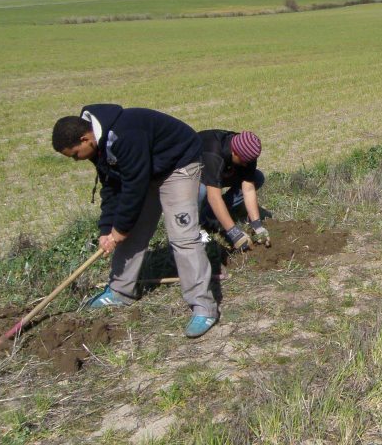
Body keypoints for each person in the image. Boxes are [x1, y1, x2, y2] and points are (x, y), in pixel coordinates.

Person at [51, 105, 219, 338]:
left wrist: (120, 229)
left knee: (183, 236)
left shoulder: (124, 134)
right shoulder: (98, 144)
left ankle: (204, 307)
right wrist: (107, 229)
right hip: (146, 170)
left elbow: (134, 187)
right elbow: (111, 186)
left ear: (85, 138)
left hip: (179, 164)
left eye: (75, 155)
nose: (77, 161)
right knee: (131, 230)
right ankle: (120, 292)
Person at [197, 129, 269, 251]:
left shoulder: (248, 149)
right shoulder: (213, 153)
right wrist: (234, 233)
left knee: (257, 178)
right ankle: (194, 227)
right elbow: (214, 197)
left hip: (223, 171)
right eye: (243, 161)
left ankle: (209, 217)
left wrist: (258, 226)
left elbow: (249, 189)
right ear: (234, 153)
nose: (246, 165)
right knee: (201, 191)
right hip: (193, 173)